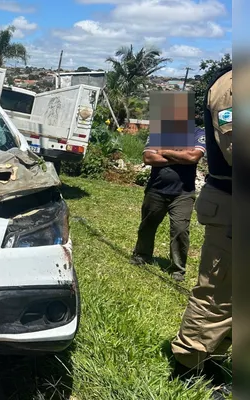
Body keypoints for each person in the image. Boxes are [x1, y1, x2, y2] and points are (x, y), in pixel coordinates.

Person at [171, 65, 232, 396]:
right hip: (233, 207)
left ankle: (211, 359)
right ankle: (187, 365)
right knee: (218, 293)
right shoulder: (234, 86)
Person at [130, 124, 206, 282]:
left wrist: (164, 152)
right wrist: (180, 157)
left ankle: (177, 269)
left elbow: (193, 157)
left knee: (180, 229)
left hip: (183, 193)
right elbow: (148, 158)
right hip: (156, 190)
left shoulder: (198, 133)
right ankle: (142, 255)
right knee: (147, 225)